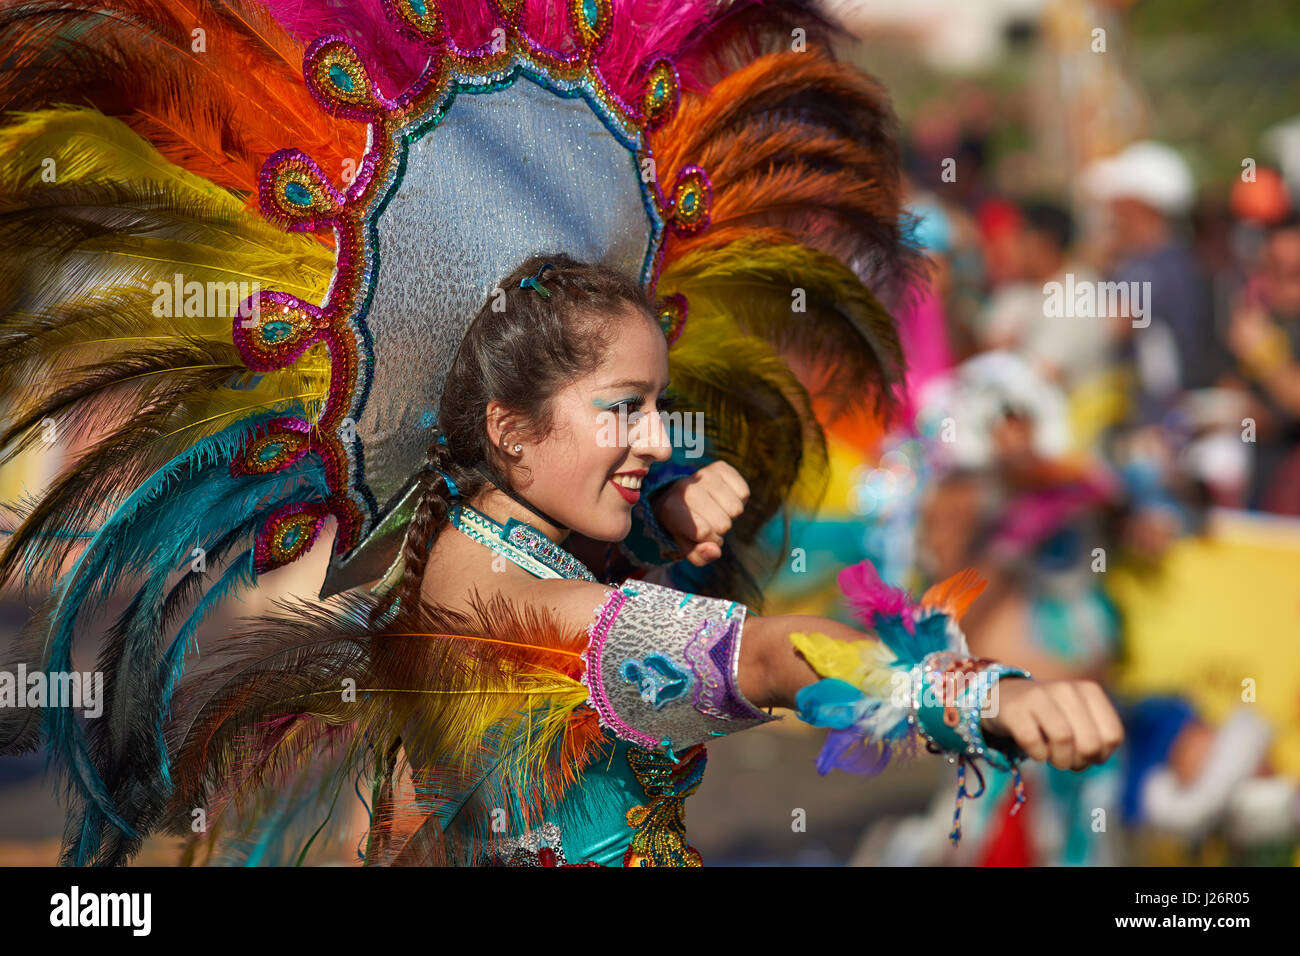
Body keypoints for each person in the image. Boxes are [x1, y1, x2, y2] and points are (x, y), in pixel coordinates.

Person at [0, 0, 1122, 866]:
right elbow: (773, 655)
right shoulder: (549, 607)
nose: (655, 435)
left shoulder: (455, 537)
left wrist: (666, 509)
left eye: (655, 402)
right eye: (621, 408)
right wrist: (982, 696)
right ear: (507, 425)